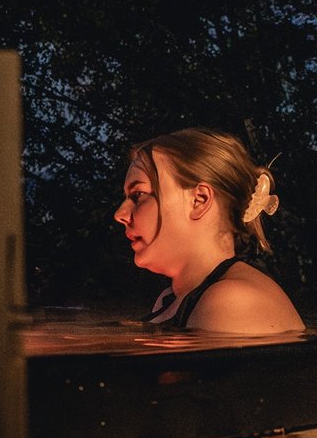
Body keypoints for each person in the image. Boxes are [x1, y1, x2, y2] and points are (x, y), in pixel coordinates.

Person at [113, 127, 303, 335]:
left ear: (199, 200)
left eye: (138, 194)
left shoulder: (233, 302)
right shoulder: (171, 300)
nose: (120, 214)